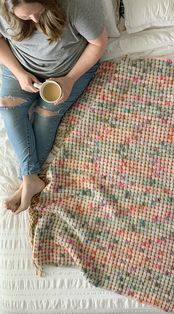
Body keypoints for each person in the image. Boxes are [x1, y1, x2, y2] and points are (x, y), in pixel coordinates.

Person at [0, 0, 108, 215]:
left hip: (68, 71)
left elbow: (99, 43)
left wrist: (69, 79)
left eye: (38, 12)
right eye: (25, 16)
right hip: (21, 67)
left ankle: (27, 182)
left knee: (46, 114)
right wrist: (19, 74)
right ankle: (31, 178)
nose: (35, 20)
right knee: (7, 106)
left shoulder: (78, 5)